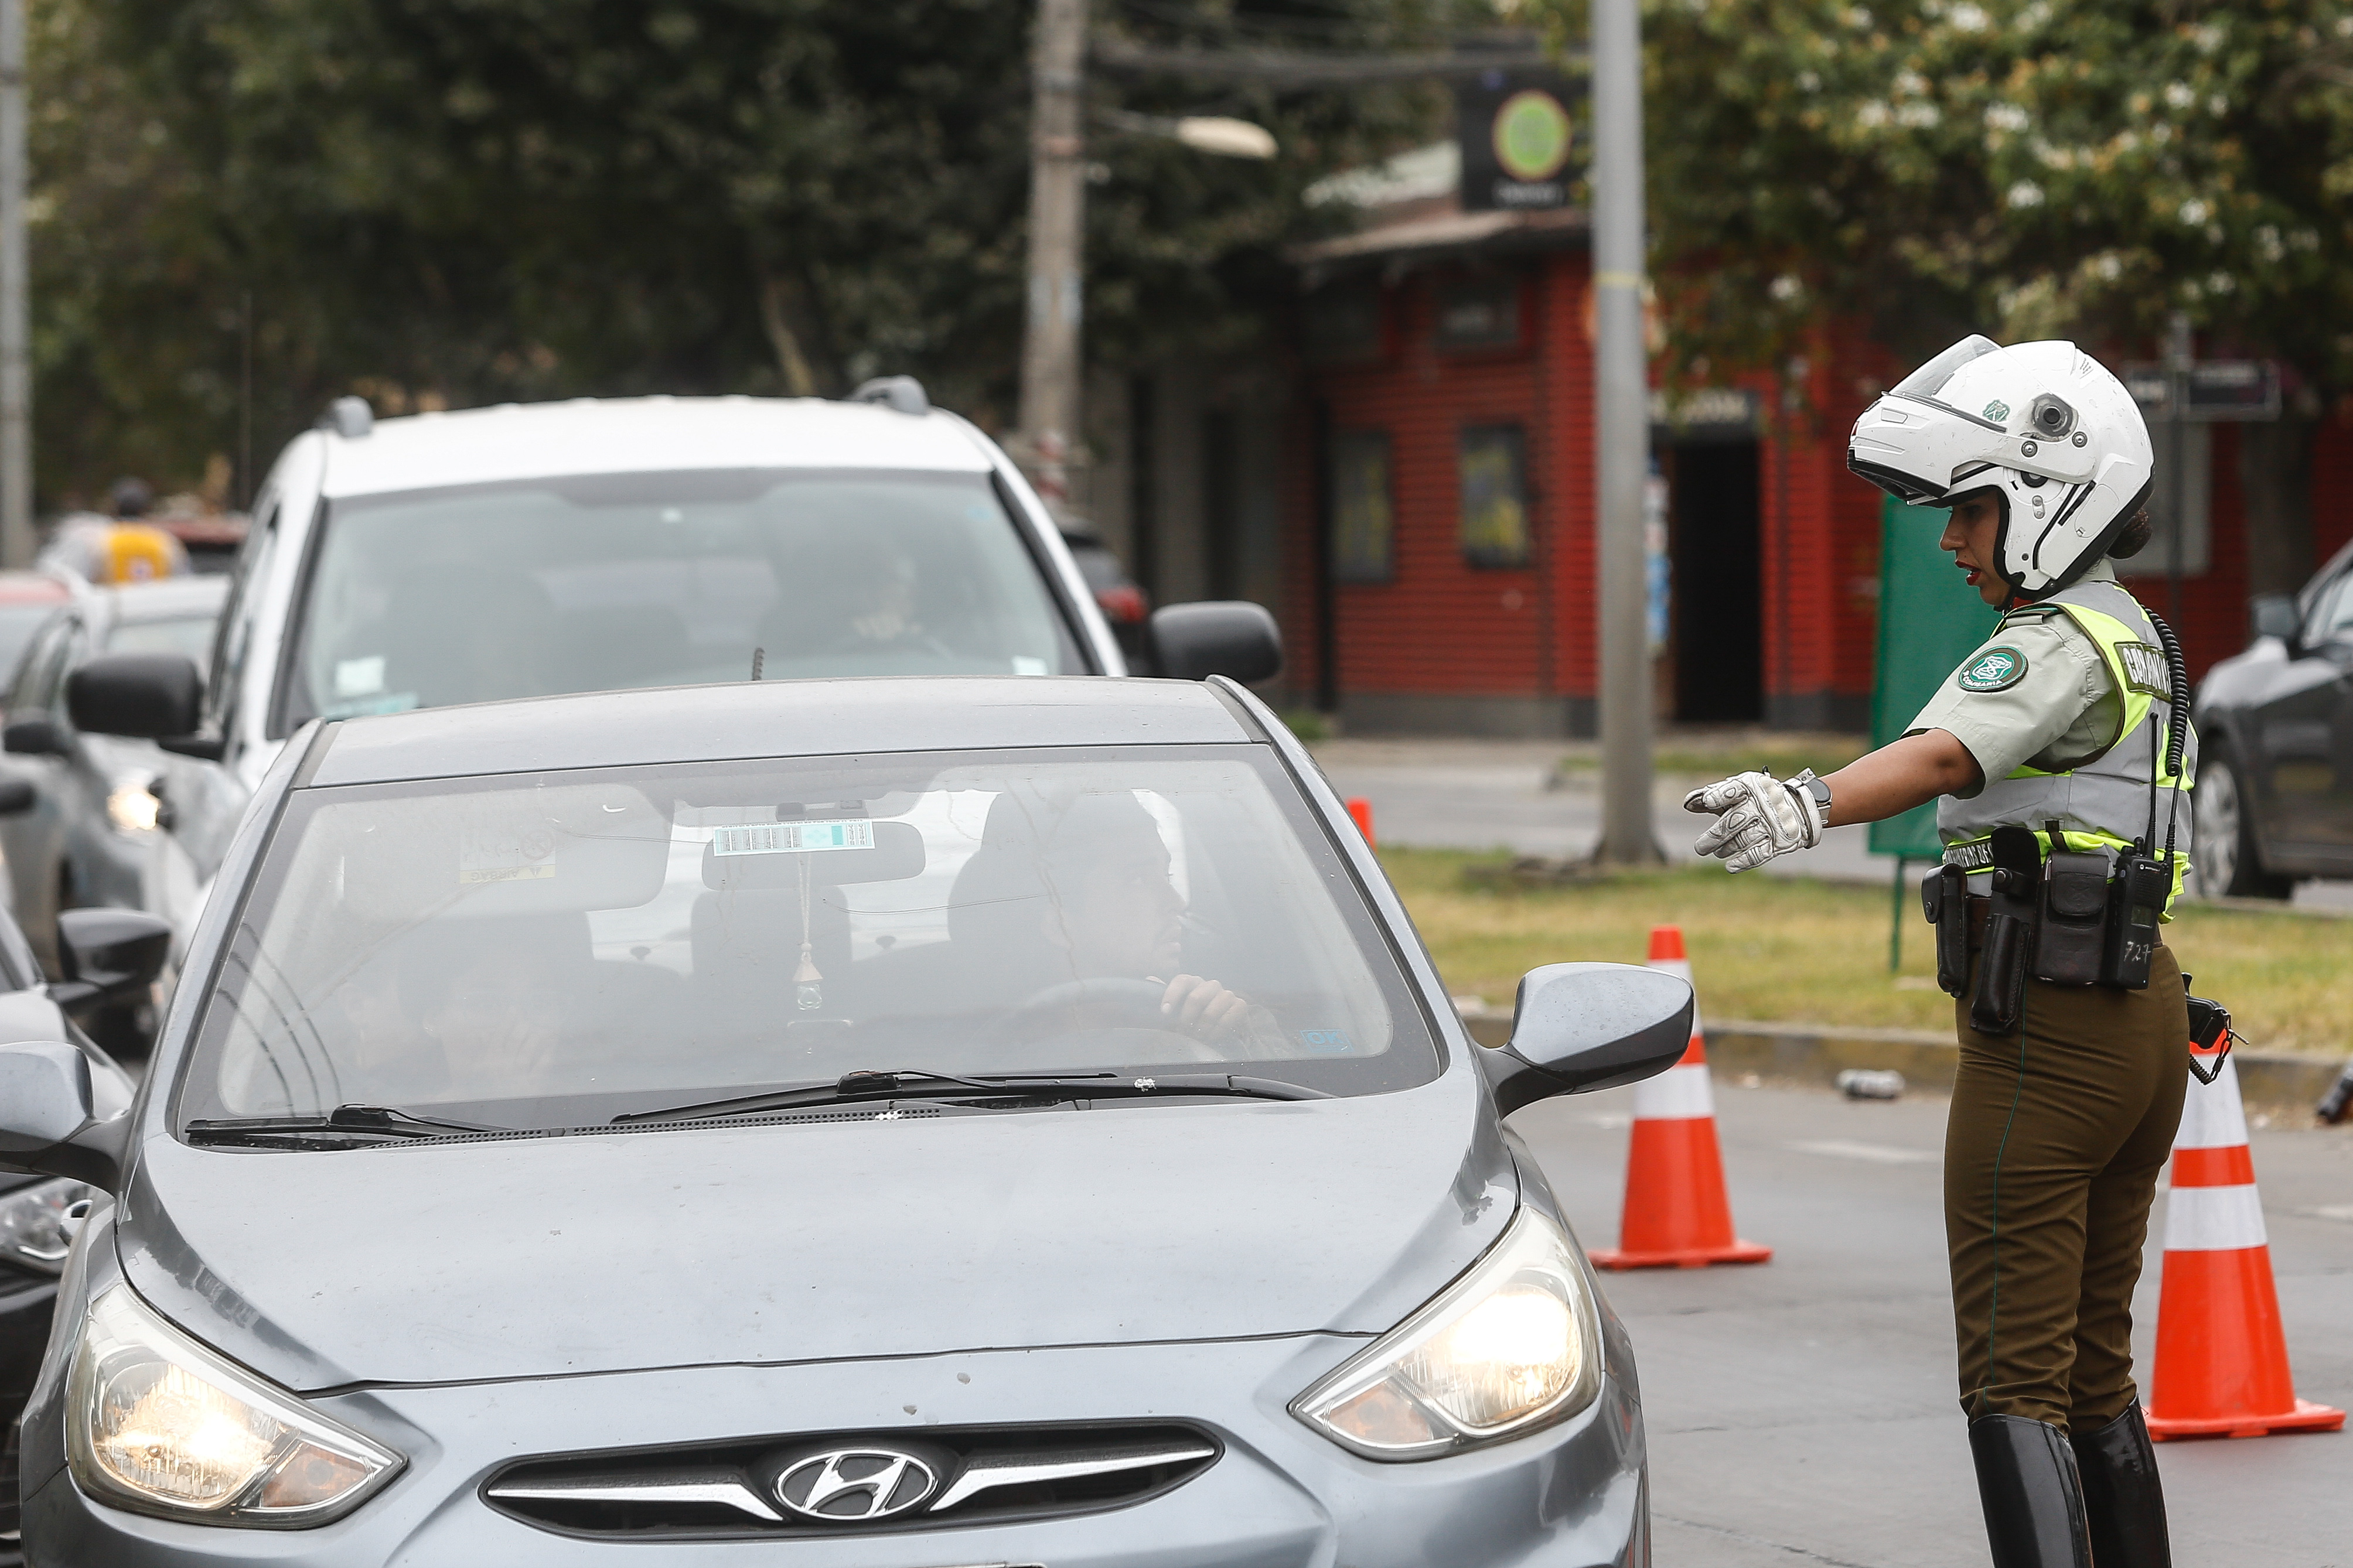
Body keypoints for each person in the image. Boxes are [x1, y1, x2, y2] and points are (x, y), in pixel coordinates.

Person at [1683, 338, 2187, 1568]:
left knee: (2011, 1378)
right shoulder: (2138, 632)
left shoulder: (2054, 639)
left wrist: (1807, 804)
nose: (1950, 541)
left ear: (2044, 496)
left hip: (2051, 1040)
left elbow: (1946, 754)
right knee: (2088, 1370)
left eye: (1967, 508)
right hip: (2140, 1022)